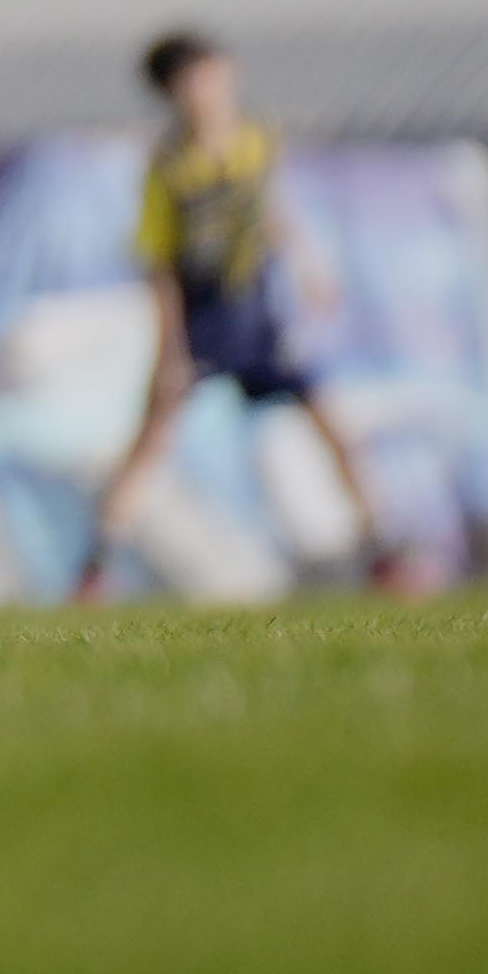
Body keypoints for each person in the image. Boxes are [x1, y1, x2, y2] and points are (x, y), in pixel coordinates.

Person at [78, 33, 409, 601]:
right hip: (202, 322)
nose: (210, 89)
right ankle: (96, 567)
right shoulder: (170, 168)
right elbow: (158, 263)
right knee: (153, 440)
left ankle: (384, 550)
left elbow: (268, 207)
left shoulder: (255, 138)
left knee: (332, 423)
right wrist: (171, 350)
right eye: (194, 80)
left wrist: (308, 264)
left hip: (257, 316)